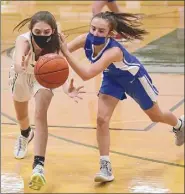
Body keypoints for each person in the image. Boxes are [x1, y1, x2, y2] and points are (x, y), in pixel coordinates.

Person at [60, 11, 184, 183]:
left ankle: (179, 125)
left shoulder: (114, 51)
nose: (95, 33)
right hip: (112, 78)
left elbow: (87, 74)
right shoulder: (84, 39)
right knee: (102, 119)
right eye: (93, 28)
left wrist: (66, 52)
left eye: (101, 31)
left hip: (134, 79)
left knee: (155, 115)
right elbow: (59, 55)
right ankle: (105, 166)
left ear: (110, 34)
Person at [9, 11, 85, 190]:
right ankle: (26, 134)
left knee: (40, 113)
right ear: (31, 29)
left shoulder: (55, 41)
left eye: (46, 32)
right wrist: (22, 64)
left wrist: (67, 89)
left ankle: (38, 166)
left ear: (52, 31)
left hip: (43, 78)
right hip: (21, 75)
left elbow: (59, 68)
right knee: (22, 118)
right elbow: (19, 64)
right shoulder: (24, 40)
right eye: (38, 31)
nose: (42, 35)